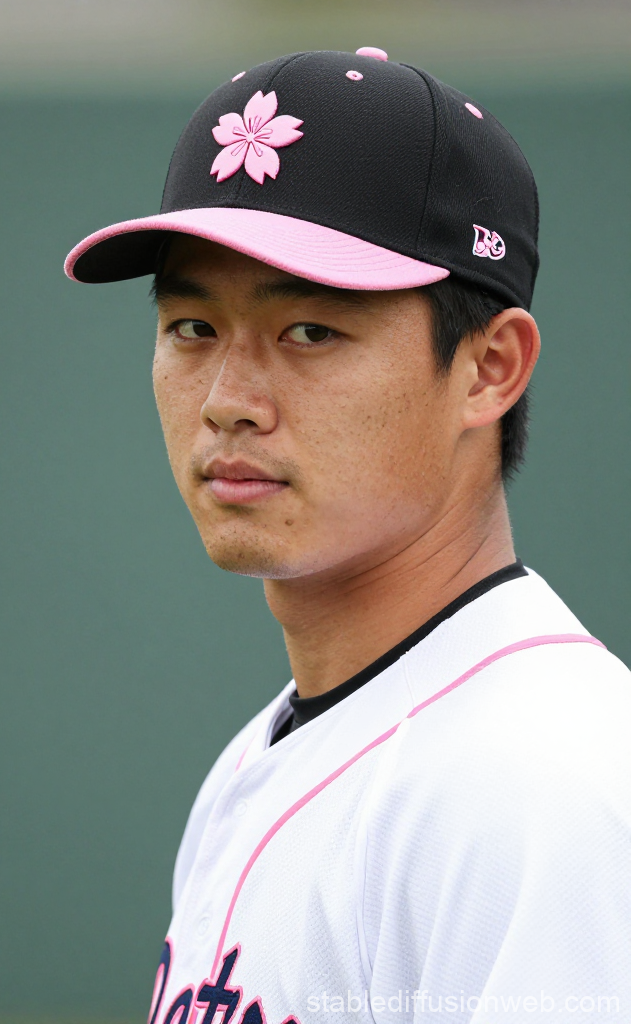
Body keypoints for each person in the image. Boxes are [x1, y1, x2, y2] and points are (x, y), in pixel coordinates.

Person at [66, 48, 631, 1024]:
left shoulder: (552, 786)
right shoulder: (259, 759)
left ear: (490, 368)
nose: (228, 402)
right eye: (192, 326)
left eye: (311, 332)